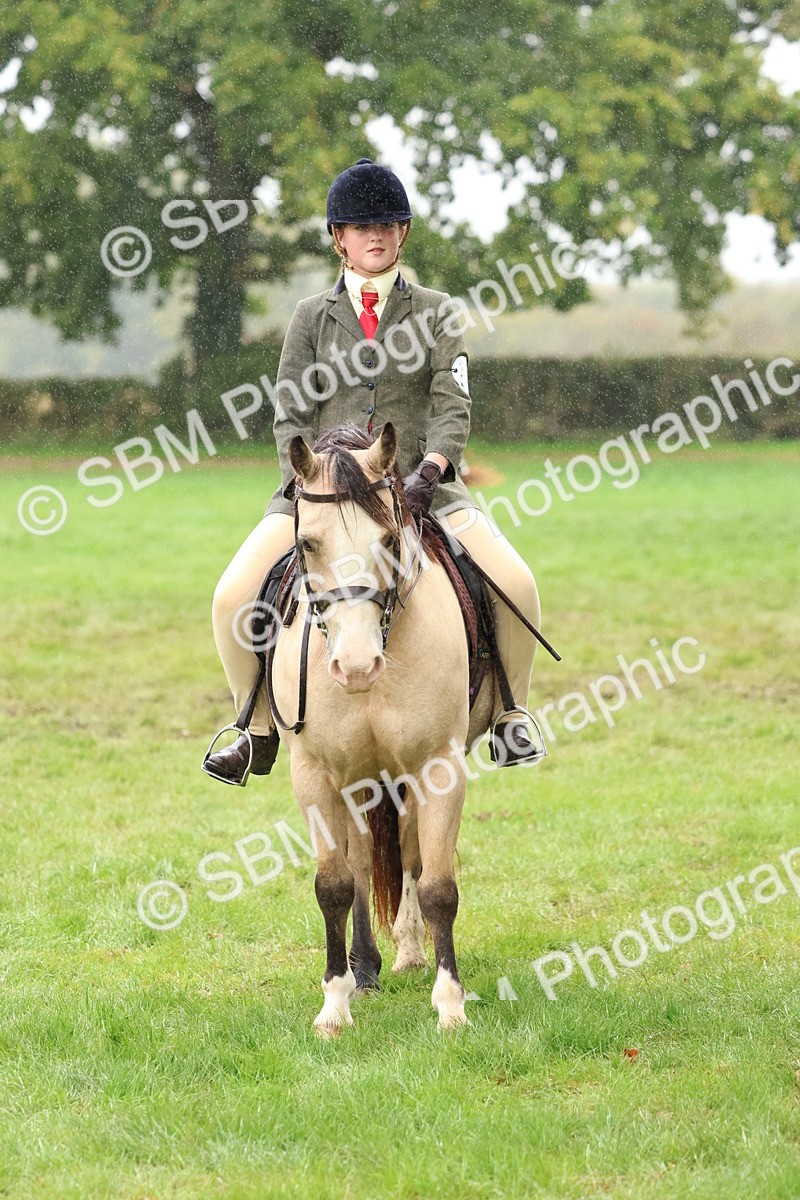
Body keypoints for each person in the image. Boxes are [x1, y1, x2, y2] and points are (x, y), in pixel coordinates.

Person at [205, 157, 543, 786]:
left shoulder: (439, 312)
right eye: (361, 226)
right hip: (324, 495)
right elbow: (289, 413)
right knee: (230, 595)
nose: (376, 235)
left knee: (517, 583)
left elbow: (452, 402)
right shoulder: (310, 317)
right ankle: (252, 729)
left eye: (388, 224)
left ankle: (510, 714)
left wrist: (432, 467)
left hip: (423, 486)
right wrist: (305, 482)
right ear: (339, 237)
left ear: (403, 233)